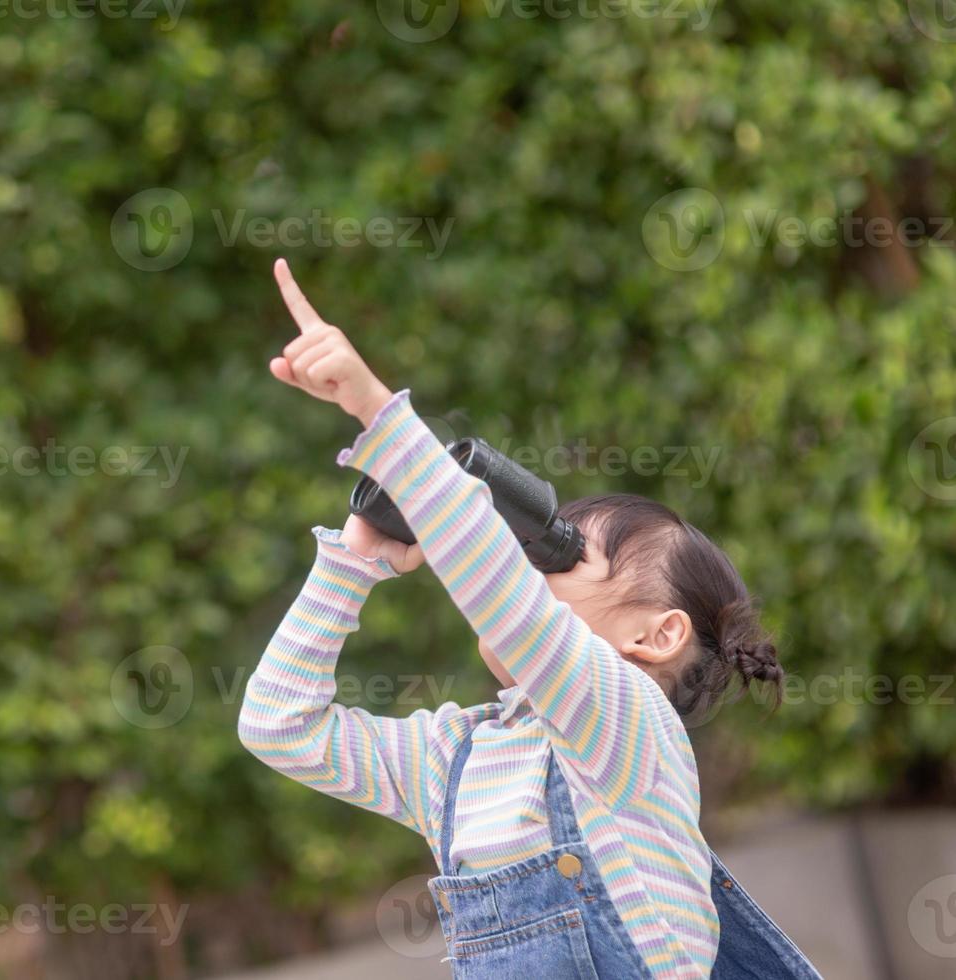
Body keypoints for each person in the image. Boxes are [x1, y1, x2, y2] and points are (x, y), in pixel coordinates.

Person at [239, 259, 819, 979]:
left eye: (570, 557)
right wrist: (352, 562)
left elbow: (510, 608)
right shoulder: (455, 756)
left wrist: (379, 414)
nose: (534, 567)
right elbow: (279, 725)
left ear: (656, 635)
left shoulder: (628, 727)